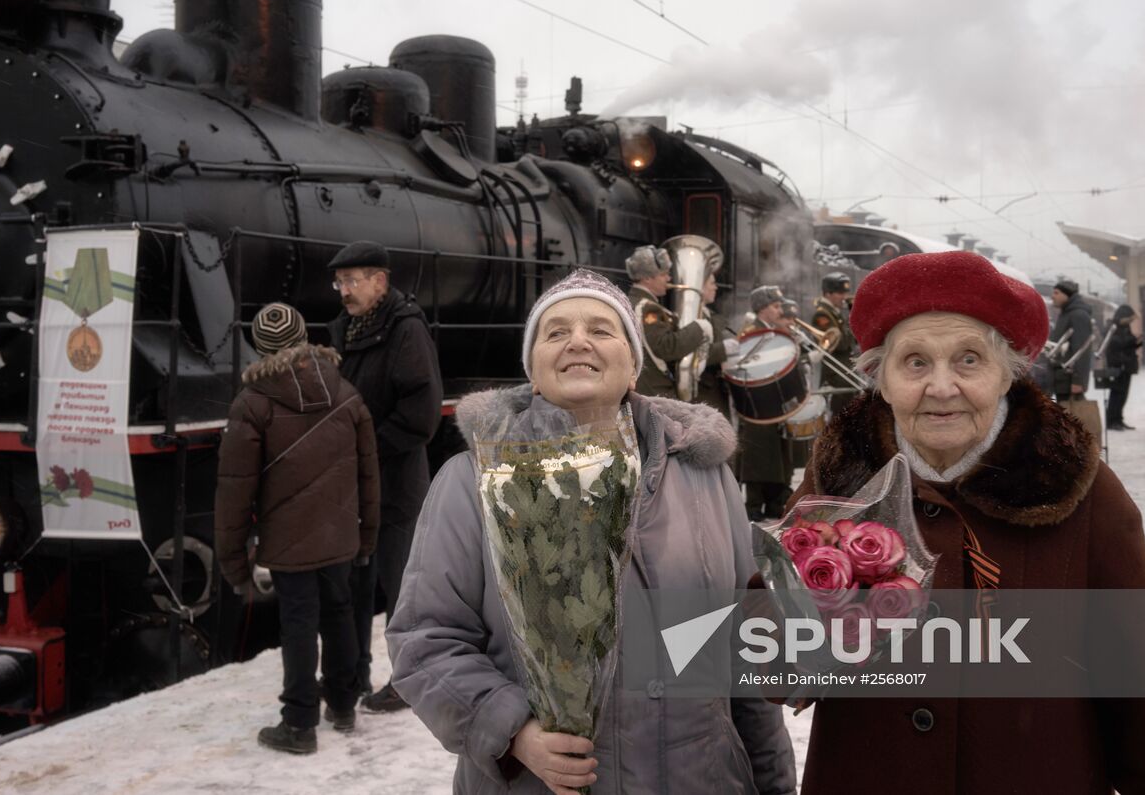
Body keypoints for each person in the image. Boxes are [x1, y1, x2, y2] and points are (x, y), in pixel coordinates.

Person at [784, 250, 1145, 794]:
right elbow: (776, 661)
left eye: (968, 360)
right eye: (914, 362)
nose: (940, 386)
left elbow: (1139, 673)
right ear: (879, 380)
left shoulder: (1081, 487)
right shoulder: (839, 477)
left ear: (1007, 373)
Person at [387, 269, 795, 795]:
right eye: (555, 333)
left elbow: (746, 635)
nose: (578, 340)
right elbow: (424, 640)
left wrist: (775, 781)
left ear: (633, 368)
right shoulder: (471, 481)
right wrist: (512, 731)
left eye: (602, 330)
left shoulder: (703, 475)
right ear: (533, 372)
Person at [216, 303, 380, 754]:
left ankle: (299, 723)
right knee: (340, 612)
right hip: (340, 534)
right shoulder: (347, 393)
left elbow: (234, 491)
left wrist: (232, 562)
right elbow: (369, 474)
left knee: (299, 624)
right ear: (305, 338)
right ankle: (344, 704)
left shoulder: (251, 404)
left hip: (288, 541)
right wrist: (367, 535)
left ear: (260, 346)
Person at [325, 241, 442, 712]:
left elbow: (422, 412)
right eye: (339, 282)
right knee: (354, 585)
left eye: (353, 281)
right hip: (354, 483)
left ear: (380, 281)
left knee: (401, 587)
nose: (344, 291)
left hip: (394, 483)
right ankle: (352, 674)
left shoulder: (406, 330)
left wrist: (369, 449)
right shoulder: (345, 329)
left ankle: (407, 681)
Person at [738, 285, 795, 521]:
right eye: (775, 306)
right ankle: (755, 504)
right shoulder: (752, 333)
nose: (780, 310)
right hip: (758, 403)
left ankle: (774, 501)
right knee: (758, 454)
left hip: (774, 401)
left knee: (777, 452)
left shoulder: (772, 332)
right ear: (763, 308)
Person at [624, 244, 711, 399]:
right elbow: (666, 347)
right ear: (647, 278)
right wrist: (699, 327)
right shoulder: (647, 308)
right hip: (654, 393)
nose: (669, 279)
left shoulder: (632, 302)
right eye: (664, 274)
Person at [694, 269, 744, 420]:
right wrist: (725, 348)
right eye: (712, 283)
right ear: (699, 286)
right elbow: (695, 356)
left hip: (717, 388)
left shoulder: (711, 315)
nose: (716, 287)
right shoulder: (693, 316)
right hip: (704, 390)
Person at [811, 272, 858, 416]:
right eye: (839, 293)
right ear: (828, 293)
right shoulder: (822, 315)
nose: (844, 297)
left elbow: (853, 340)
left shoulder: (835, 312)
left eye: (845, 292)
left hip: (843, 370)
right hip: (835, 373)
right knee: (840, 417)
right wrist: (852, 317)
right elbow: (841, 344)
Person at [1048, 278, 1093, 397]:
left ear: (1067, 295)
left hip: (1070, 381)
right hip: (1062, 379)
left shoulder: (1078, 315)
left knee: (1073, 414)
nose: (1053, 296)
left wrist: (1077, 381)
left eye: (1056, 293)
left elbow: (1082, 349)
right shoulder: (1066, 314)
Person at [1102, 304, 1142, 430]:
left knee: (1123, 394)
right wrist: (1132, 341)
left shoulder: (1125, 327)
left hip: (1127, 365)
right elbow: (1116, 344)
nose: (1131, 321)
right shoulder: (1112, 327)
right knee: (1116, 394)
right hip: (1117, 365)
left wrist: (1137, 342)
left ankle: (1119, 419)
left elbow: (1127, 344)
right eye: (1130, 318)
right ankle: (1111, 421)